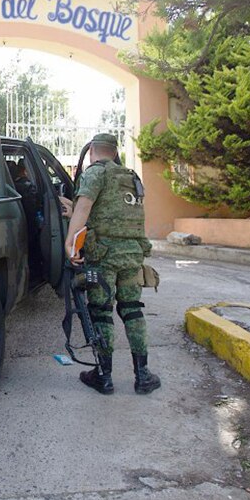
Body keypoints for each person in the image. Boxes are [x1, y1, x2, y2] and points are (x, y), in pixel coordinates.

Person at [63, 133, 160, 396]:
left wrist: (70, 242)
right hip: (132, 253)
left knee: (102, 311)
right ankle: (143, 376)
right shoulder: (131, 176)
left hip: (103, 255)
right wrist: (74, 209)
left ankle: (103, 377)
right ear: (115, 152)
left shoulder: (95, 173)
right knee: (132, 309)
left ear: (91, 151)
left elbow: (85, 207)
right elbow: (113, 212)